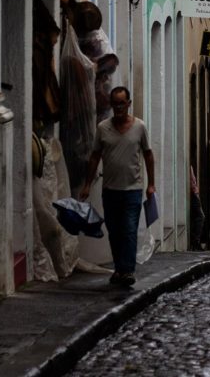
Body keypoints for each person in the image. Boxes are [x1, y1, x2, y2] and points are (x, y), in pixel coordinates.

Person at [80, 86, 155, 287]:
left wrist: (151, 184)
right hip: (110, 190)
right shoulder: (103, 128)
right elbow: (95, 156)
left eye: (122, 103)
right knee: (114, 231)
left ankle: (127, 271)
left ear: (129, 104)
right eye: (115, 103)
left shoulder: (140, 127)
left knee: (129, 229)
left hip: (133, 189)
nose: (119, 107)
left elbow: (148, 155)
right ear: (111, 105)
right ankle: (119, 269)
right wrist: (87, 184)